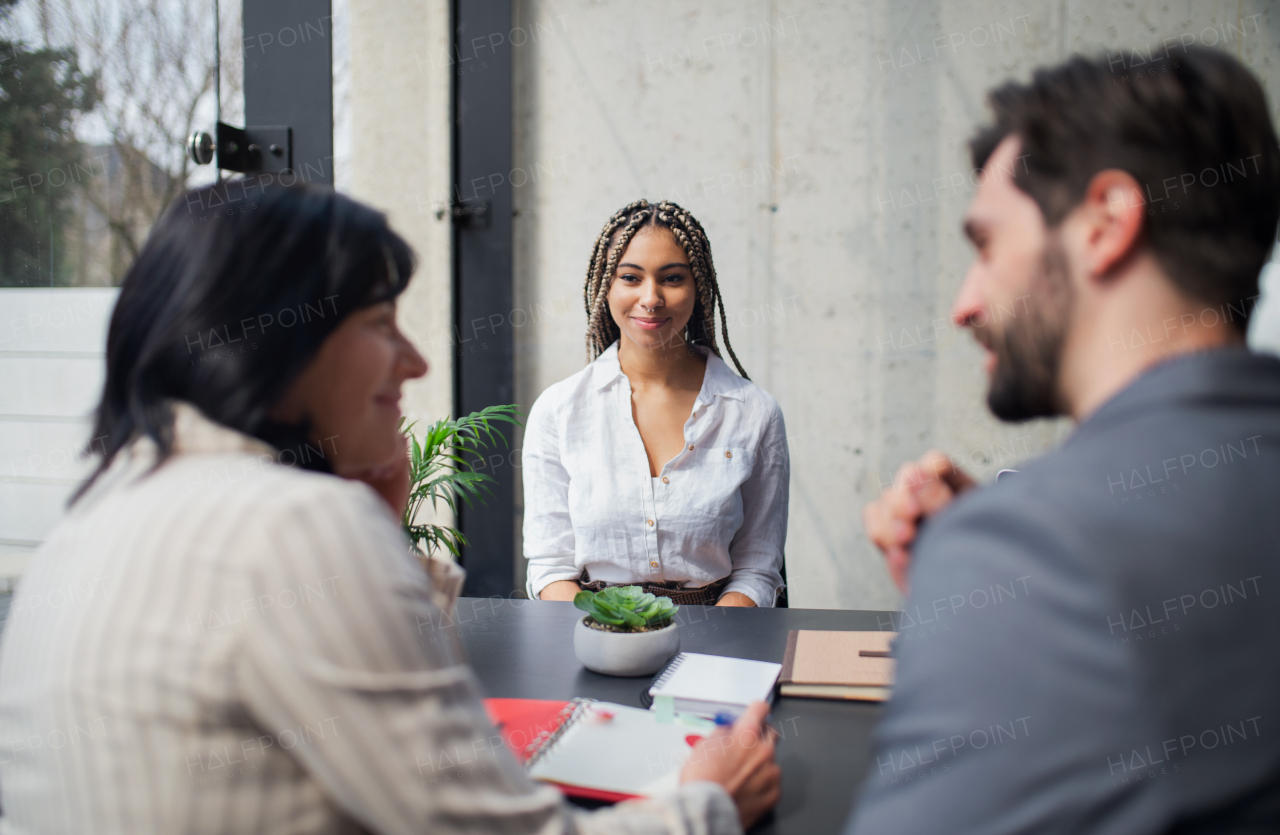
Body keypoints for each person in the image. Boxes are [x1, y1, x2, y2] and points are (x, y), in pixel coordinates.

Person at [0, 184, 780, 834]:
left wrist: (378, 528)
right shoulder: (292, 528)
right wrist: (705, 800)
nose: (416, 360)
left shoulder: (92, 516)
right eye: (381, 323)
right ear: (278, 340)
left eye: (673, 277)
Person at [849, 46, 1280, 833]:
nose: (963, 303)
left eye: (985, 246)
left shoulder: (1038, 552)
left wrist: (992, 579)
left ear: (1106, 223)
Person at [523, 200, 789, 607]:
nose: (651, 298)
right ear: (605, 286)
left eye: (672, 278)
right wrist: (611, 639)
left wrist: (713, 658)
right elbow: (550, 567)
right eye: (630, 277)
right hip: (591, 629)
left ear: (698, 286)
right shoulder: (558, 411)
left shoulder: (754, 412)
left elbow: (757, 567)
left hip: (721, 637)